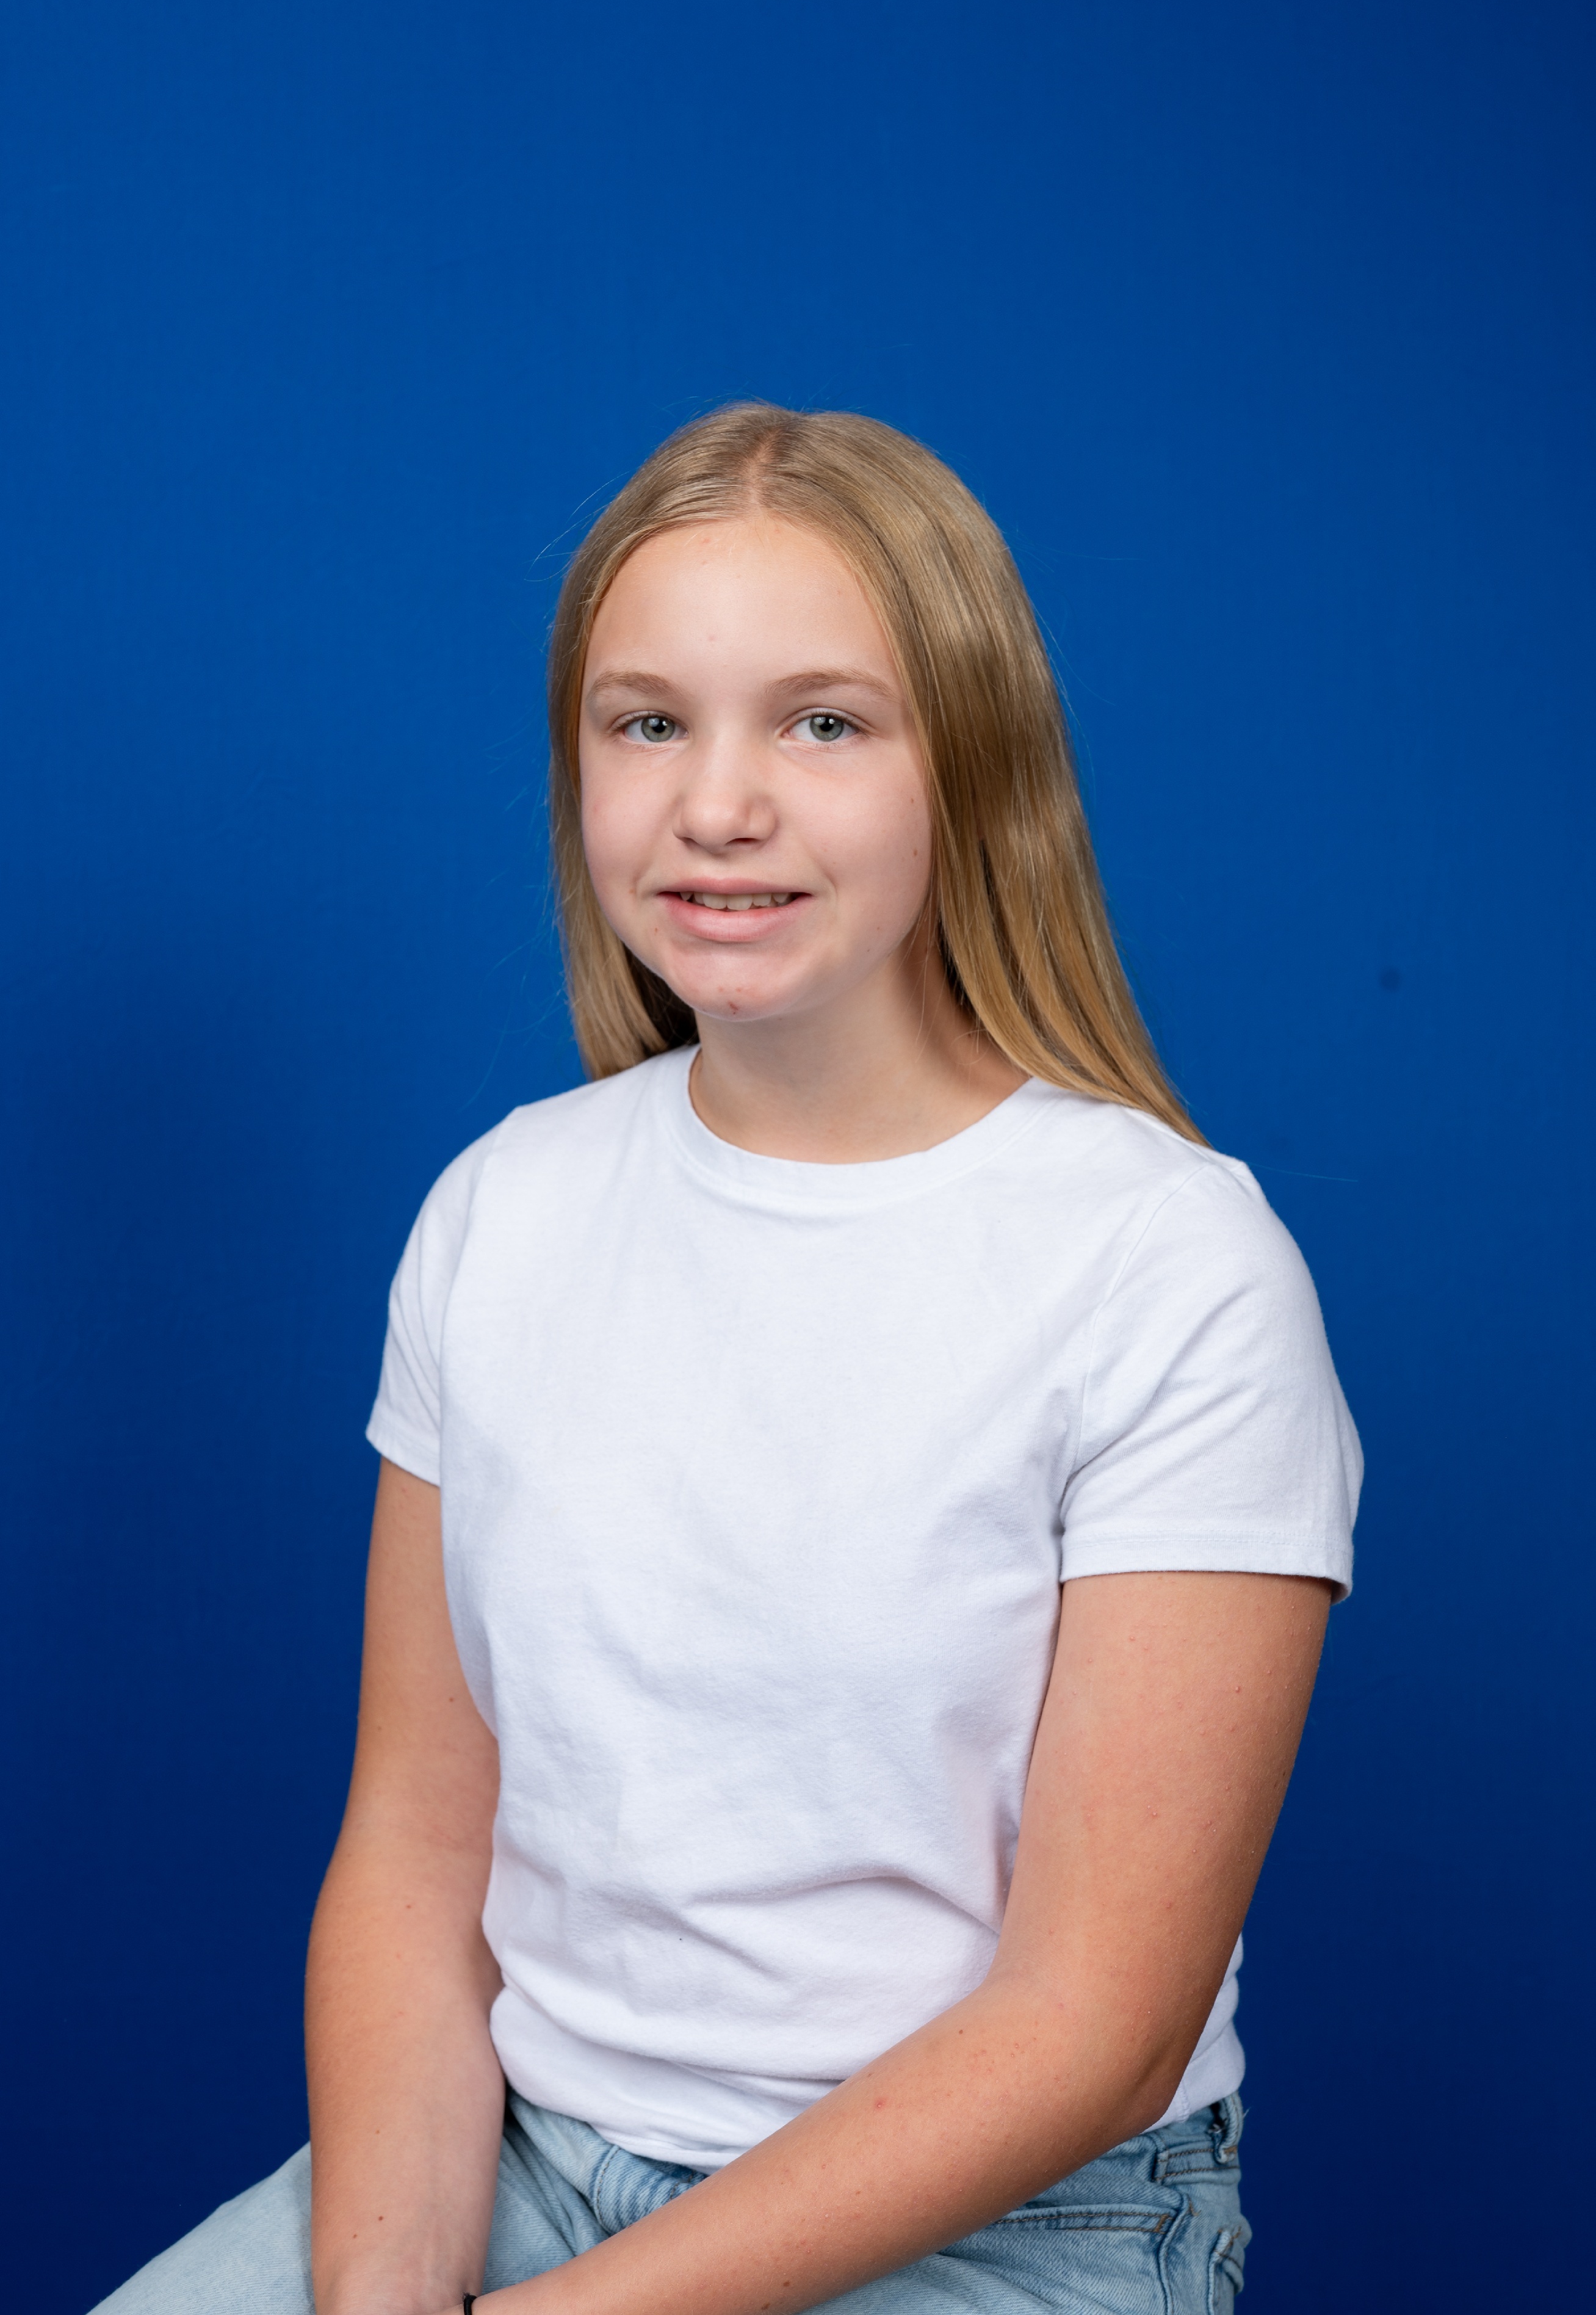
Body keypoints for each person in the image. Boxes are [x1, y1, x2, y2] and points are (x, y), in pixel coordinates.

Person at [95, 404, 1360, 2315]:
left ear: (975, 766)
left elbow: (1094, 2020)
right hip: (536, 2150)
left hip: (1015, 2220)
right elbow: (418, 1851)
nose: (718, 804)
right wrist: (378, 2293)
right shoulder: (503, 1210)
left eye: (823, 722)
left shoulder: (1170, 1269)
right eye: (648, 723)